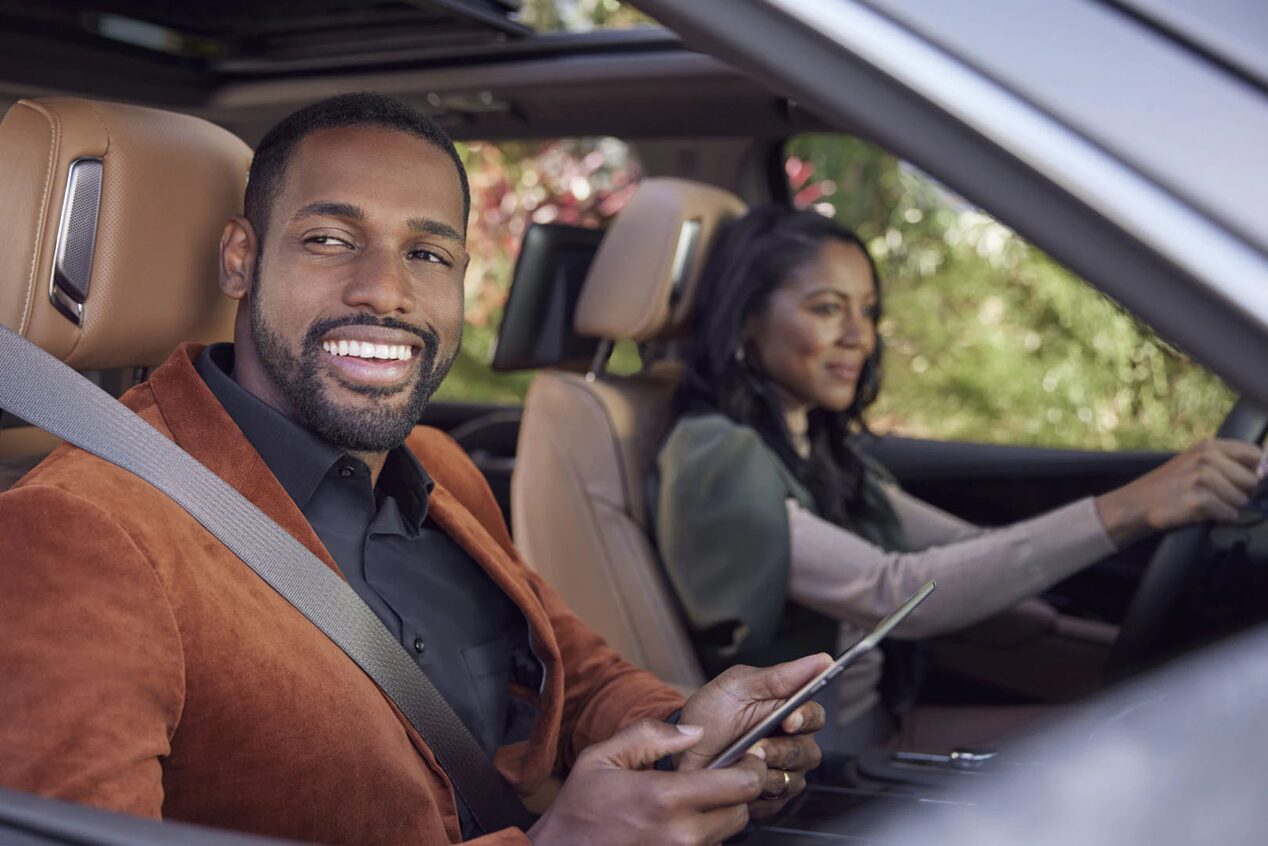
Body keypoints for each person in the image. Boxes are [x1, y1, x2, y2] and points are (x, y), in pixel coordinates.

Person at [0, 95, 831, 846]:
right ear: (240, 260)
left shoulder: (438, 470)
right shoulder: (79, 532)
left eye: (429, 253)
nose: (385, 292)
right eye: (330, 240)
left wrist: (690, 734)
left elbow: (571, 678)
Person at [652, 204, 1263, 750]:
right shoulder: (716, 455)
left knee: (1130, 732)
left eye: (866, 311)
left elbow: (962, 547)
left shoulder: (810, 443)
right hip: (815, 776)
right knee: (1133, 753)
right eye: (826, 309)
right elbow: (892, 592)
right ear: (745, 324)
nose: (857, 336)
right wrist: (1132, 508)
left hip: (881, 733)